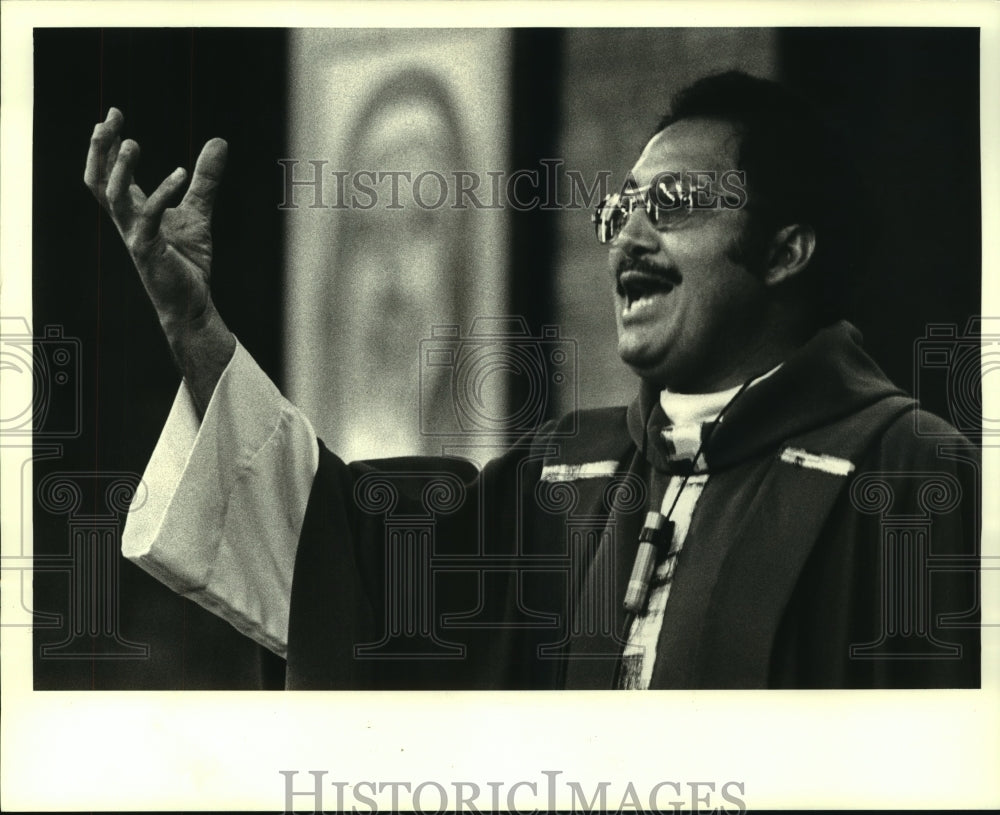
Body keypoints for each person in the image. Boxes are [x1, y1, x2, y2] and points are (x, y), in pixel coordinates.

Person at [85, 71, 980, 689]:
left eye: (670, 206)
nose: (628, 238)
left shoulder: (912, 475)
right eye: (620, 209)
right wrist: (194, 329)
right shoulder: (566, 474)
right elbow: (338, 561)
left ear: (787, 250)